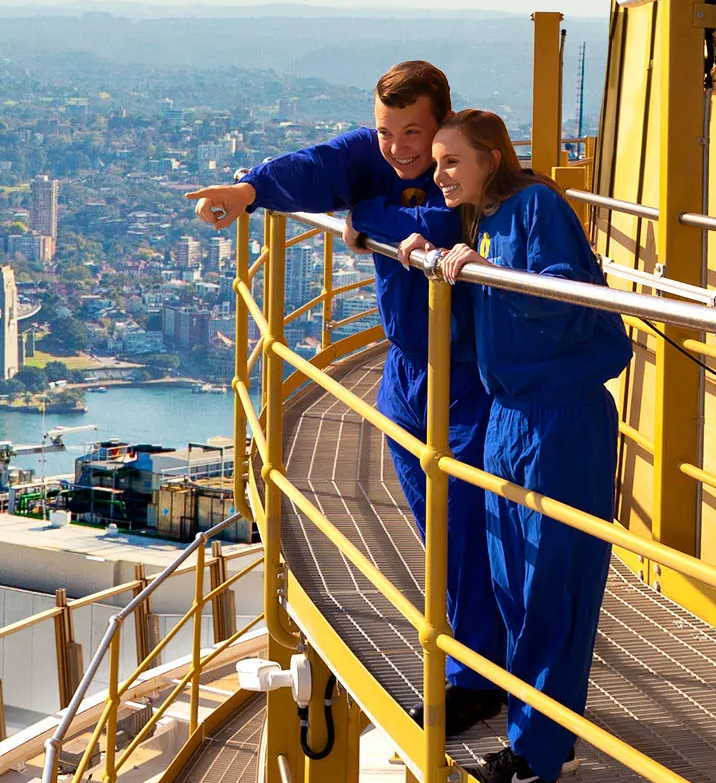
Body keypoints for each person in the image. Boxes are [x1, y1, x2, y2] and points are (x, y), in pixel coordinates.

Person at [186, 60, 506, 734]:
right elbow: (319, 166)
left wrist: (371, 216)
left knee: (467, 524)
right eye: (388, 131)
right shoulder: (375, 154)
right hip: (408, 373)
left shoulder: (460, 161)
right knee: (438, 531)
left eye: (411, 132)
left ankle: (477, 675)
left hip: (471, 373)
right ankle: (471, 660)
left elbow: (449, 227)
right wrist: (248, 190)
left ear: (441, 120)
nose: (398, 148)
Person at [399, 109, 630, 783]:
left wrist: (487, 270)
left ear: (492, 157)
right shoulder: (486, 220)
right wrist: (429, 265)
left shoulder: (534, 208)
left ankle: (537, 758)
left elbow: (562, 300)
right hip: (511, 417)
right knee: (513, 587)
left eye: (451, 161)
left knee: (548, 588)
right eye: (436, 162)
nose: (438, 173)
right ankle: (550, 732)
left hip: (558, 418)